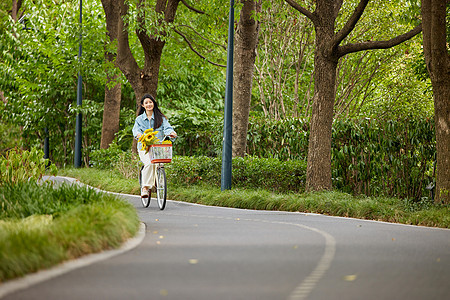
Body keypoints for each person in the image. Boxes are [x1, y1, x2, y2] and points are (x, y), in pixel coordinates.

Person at [132, 94, 177, 198]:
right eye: (146, 103)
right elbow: (135, 130)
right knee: (149, 163)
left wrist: (172, 133)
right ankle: (145, 187)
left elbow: (167, 128)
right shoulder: (139, 120)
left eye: (150, 102)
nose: (149, 104)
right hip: (144, 148)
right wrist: (139, 135)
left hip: (158, 147)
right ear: (143, 105)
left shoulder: (160, 118)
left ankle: (157, 182)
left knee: (156, 164)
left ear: (154, 103)